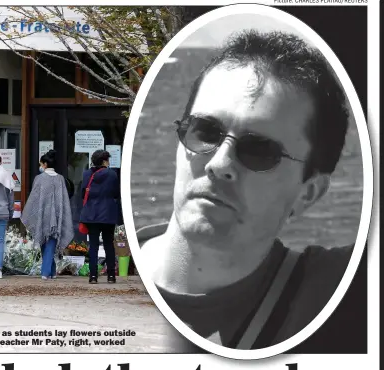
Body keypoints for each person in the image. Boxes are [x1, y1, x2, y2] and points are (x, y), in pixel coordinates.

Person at [137, 30, 354, 350]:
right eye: (205, 132)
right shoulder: (108, 276)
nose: (219, 163)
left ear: (307, 193)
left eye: (259, 150)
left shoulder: (329, 294)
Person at [21, 150, 74, 280]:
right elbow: (62, 201)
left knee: (48, 244)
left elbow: (34, 199)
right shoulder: (60, 179)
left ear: (45, 164)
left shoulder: (39, 179)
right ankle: (52, 271)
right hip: (56, 216)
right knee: (49, 243)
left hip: (42, 216)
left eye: (41, 164)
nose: (40, 166)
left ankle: (45, 272)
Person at [79, 149, 121, 284]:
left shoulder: (87, 174)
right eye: (107, 160)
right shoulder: (112, 175)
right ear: (104, 161)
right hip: (108, 214)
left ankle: (93, 276)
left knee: (94, 245)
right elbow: (116, 193)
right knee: (109, 244)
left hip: (92, 214)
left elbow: (82, 193)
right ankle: (111, 276)